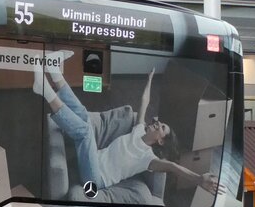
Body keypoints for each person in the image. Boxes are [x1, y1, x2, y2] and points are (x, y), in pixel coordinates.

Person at [34, 67, 220, 195]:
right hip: (93, 160)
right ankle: (55, 73)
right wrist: (149, 80)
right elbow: (144, 102)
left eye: (162, 128)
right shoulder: (138, 130)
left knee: (85, 132)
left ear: (161, 141)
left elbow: (173, 167)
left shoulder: (148, 159)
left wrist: (199, 179)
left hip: (95, 179)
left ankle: (46, 91)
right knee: (83, 114)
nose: (158, 123)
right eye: (160, 123)